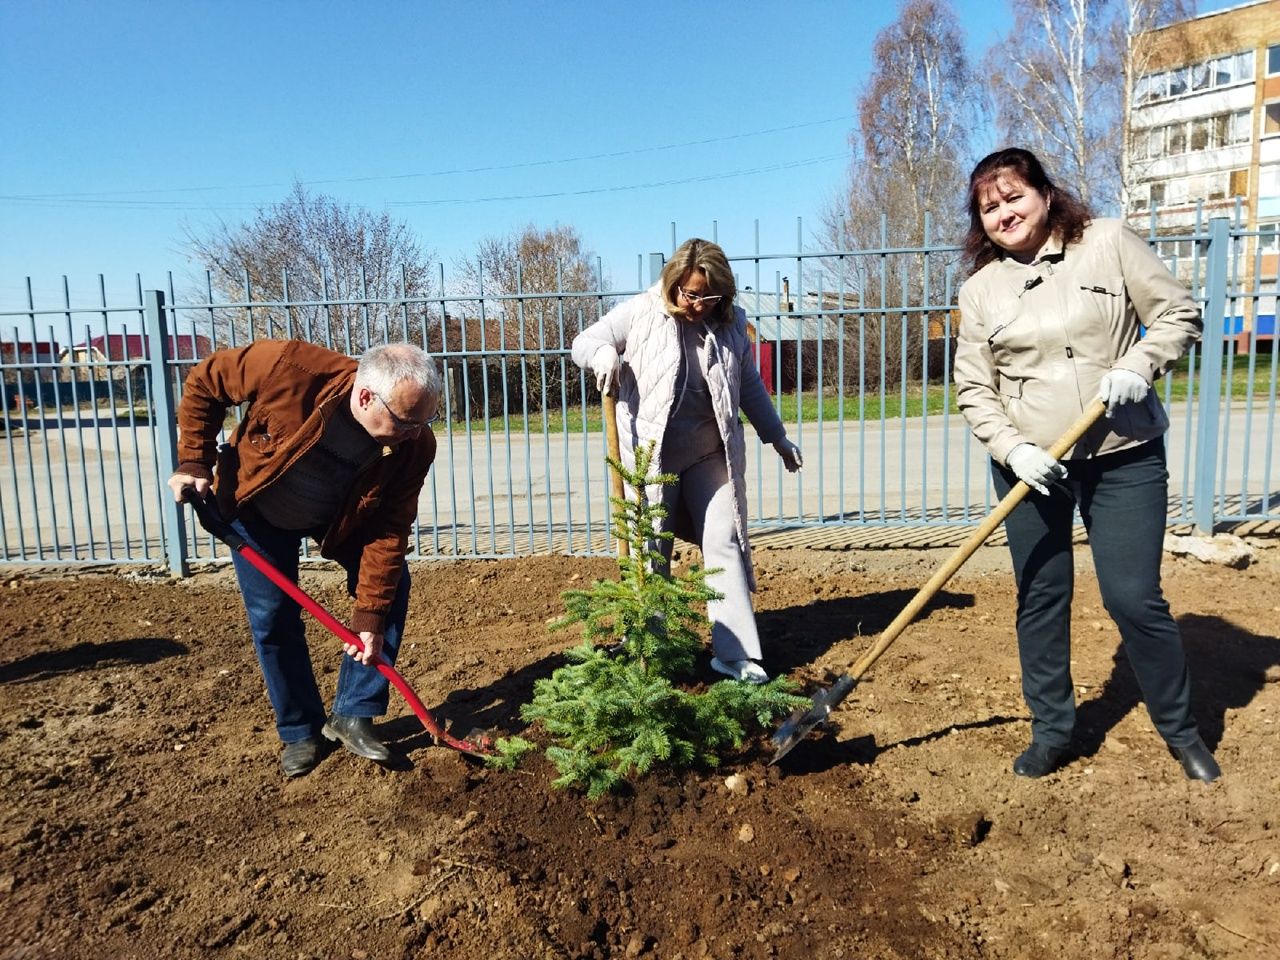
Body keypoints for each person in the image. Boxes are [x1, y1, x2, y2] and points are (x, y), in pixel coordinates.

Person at [953, 147, 1219, 782]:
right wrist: (1011, 448)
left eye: (1013, 196)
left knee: (1133, 596)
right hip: (1030, 465)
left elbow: (1179, 313)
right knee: (1041, 597)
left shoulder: (1107, 242)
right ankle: (1053, 731)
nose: (1004, 213)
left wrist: (1139, 363)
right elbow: (974, 389)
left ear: (1046, 193)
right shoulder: (981, 290)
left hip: (1121, 454)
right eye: (989, 207)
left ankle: (1181, 731)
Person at [167, 339, 442, 778]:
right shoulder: (290, 367)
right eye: (407, 421)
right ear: (366, 396)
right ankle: (301, 731)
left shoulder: (413, 446)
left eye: (426, 420)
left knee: (389, 588)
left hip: (339, 517)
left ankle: (354, 713)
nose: (415, 433)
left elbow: (388, 530)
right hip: (257, 507)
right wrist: (195, 462)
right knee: (272, 616)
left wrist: (369, 618)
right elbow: (205, 382)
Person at [571, 238, 802, 684]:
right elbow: (587, 340)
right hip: (651, 455)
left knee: (724, 540)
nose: (695, 304)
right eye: (688, 293)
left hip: (707, 454)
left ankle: (735, 655)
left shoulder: (734, 326)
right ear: (674, 282)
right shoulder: (640, 312)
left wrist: (777, 437)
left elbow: (749, 385)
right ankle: (650, 651)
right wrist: (602, 354)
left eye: (706, 296)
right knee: (652, 548)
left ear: (724, 294)